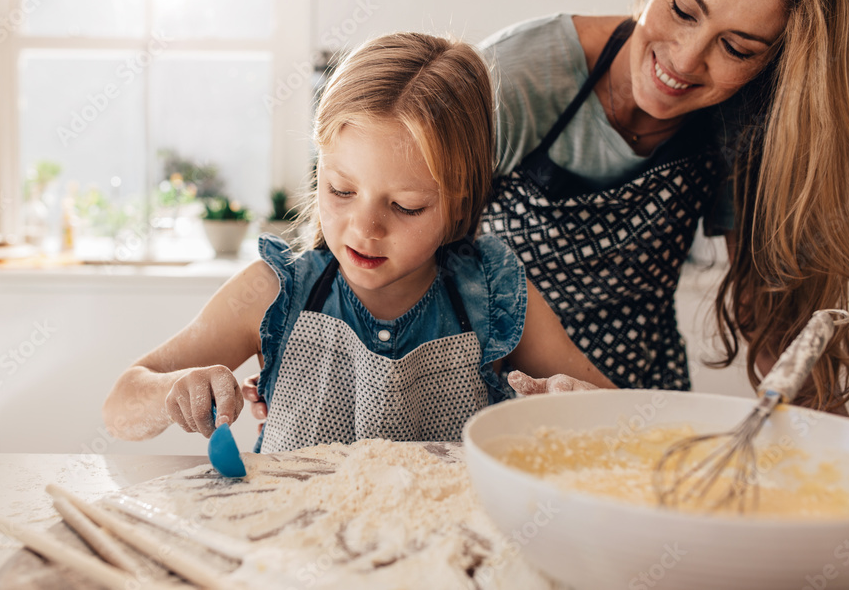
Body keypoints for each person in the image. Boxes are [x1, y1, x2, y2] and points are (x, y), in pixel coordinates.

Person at [102, 32, 615, 453]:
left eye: (406, 206)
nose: (364, 228)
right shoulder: (274, 289)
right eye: (341, 190)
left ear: (459, 201)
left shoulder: (494, 291)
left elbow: (630, 418)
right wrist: (173, 388)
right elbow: (121, 404)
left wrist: (578, 408)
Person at [480, 0, 849, 423]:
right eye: (683, 9)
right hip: (504, 402)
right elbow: (407, 266)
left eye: (737, 49)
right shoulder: (513, 76)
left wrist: (834, 430)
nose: (685, 60)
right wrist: (607, 412)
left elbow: (767, 315)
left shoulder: (745, 119)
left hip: (647, 398)